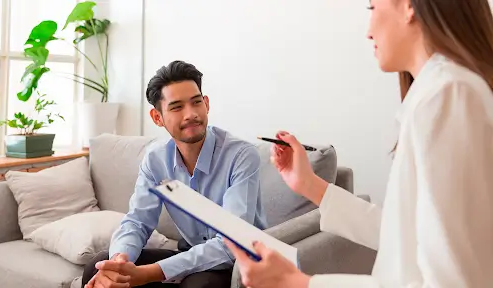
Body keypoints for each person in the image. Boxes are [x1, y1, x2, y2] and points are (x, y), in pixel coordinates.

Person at [224, 0, 493, 287]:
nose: (368, 31)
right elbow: (404, 233)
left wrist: (298, 282)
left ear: (408, 6)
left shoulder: (448, 95)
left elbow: (451, 282)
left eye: (372, 8)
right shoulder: (443, 92)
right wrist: (309, 185)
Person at [82, 60, 267, 288]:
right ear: (157, 117)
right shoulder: (156, 159)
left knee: (200, 286)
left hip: (241, 262)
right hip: (192, 254)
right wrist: (119, 262)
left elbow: (232, 243)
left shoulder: (241, 155)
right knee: (98, 266)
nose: (191, 114)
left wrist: (149, 273)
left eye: (196, 102)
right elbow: (137, 221)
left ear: (206, 104)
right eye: (177, 107)